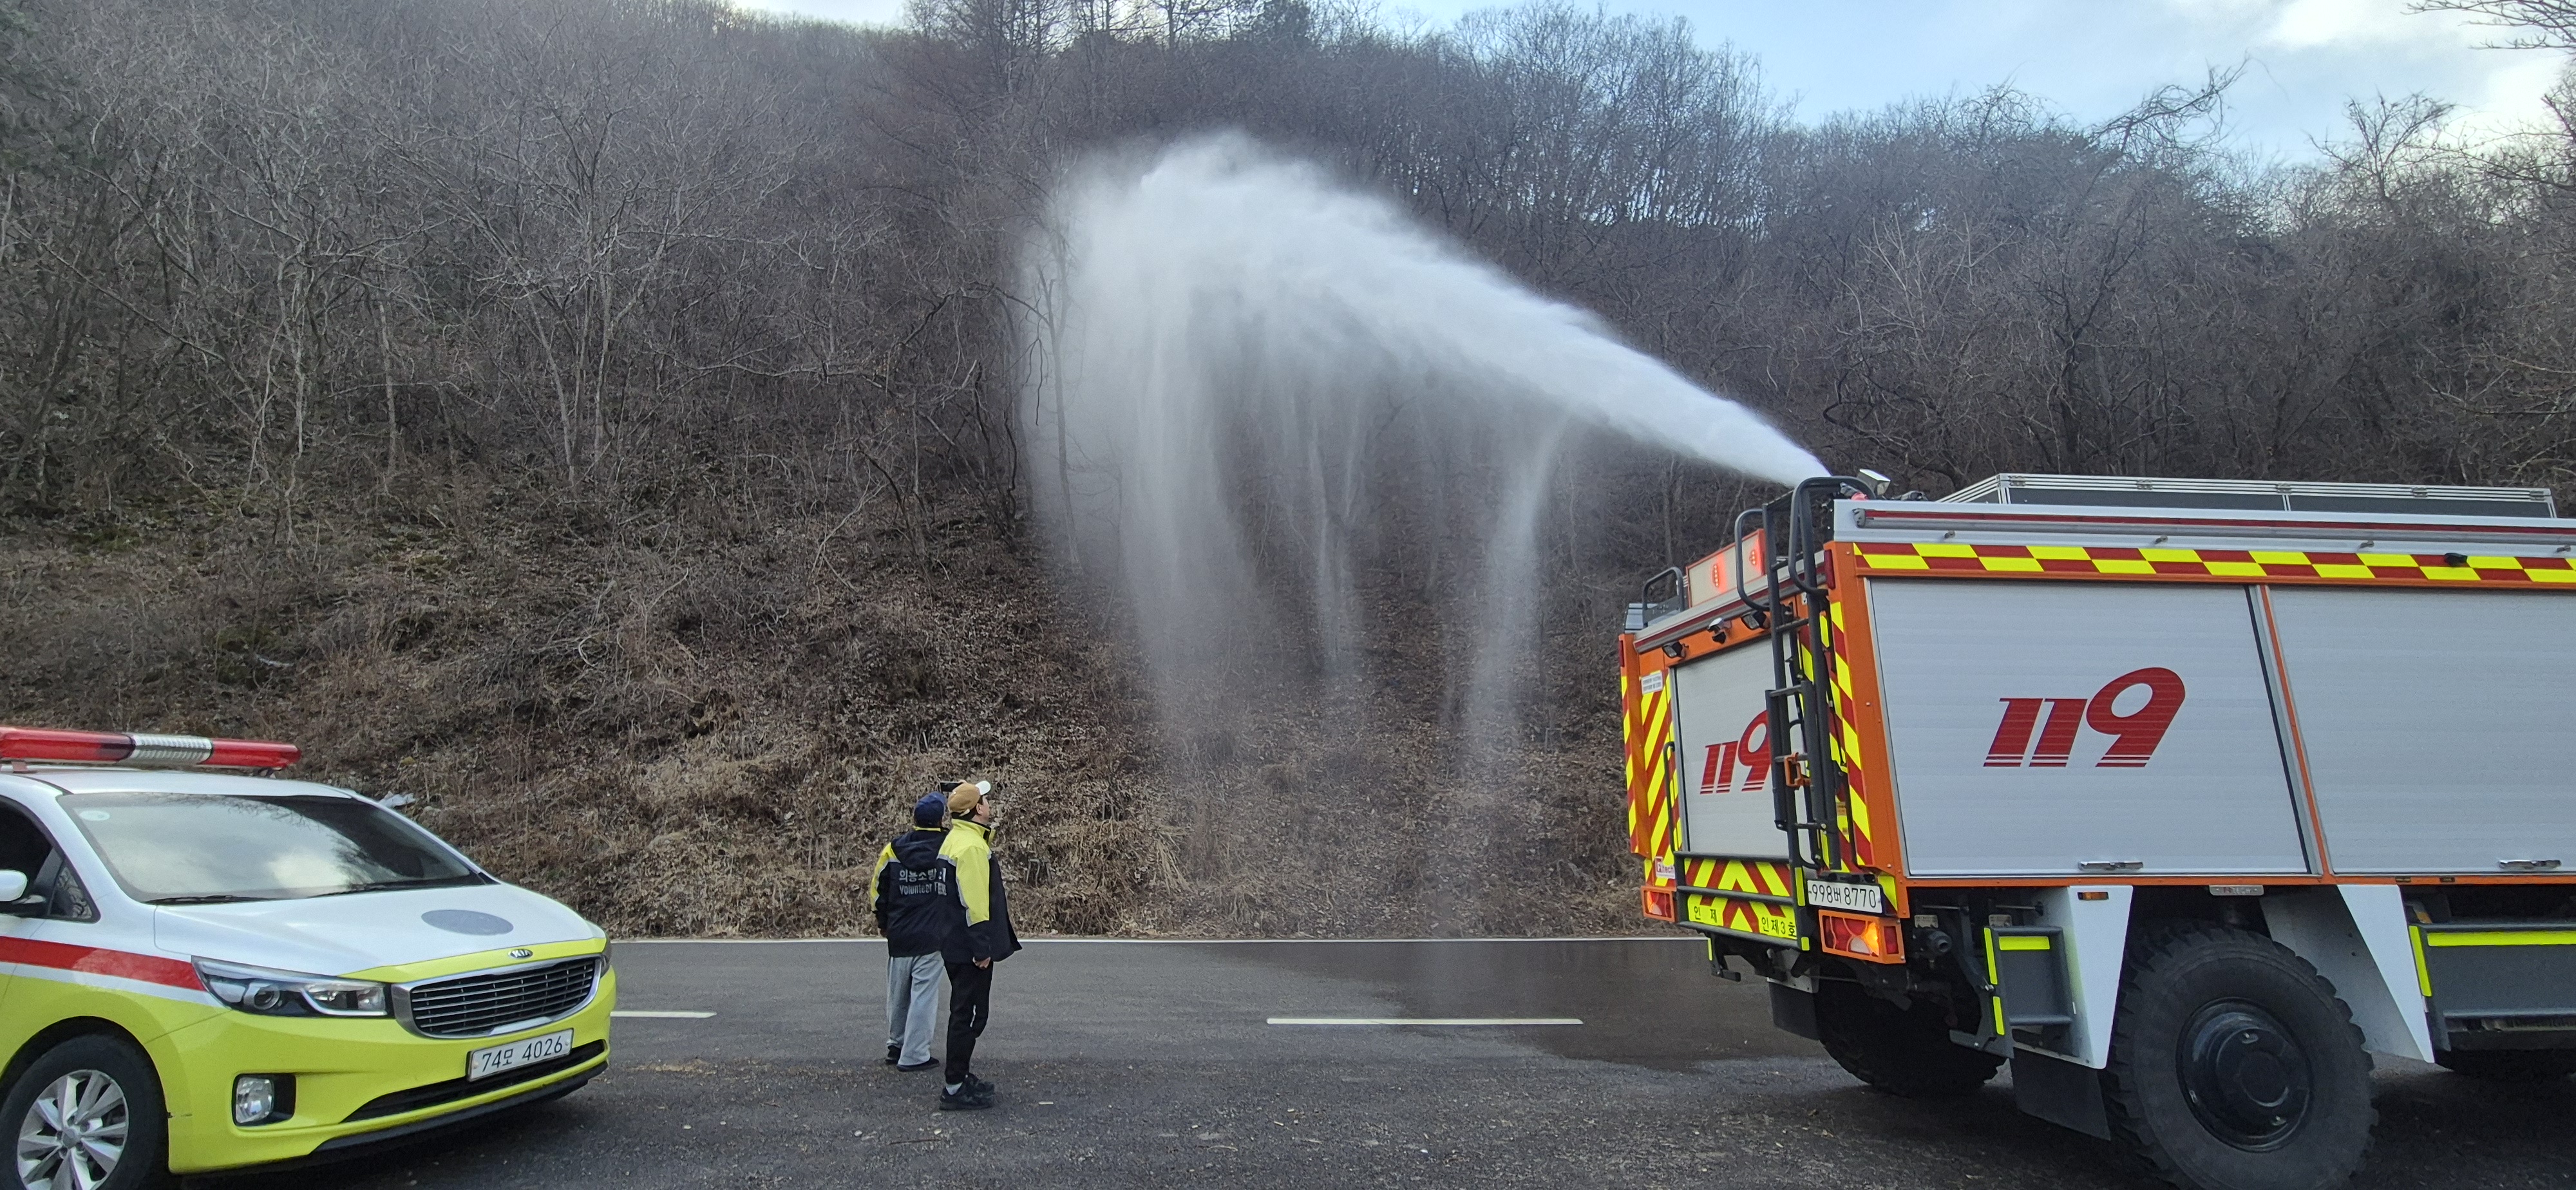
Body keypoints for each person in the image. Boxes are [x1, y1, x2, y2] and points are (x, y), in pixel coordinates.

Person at [934, 779, 1021, 1111]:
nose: (988, 803)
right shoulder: (971, 847)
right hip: (969, 948)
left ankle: (960, 1076)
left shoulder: (956, 839)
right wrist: (982, 949)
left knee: (967, 1012)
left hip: (954, 942)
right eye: (984, 799)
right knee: (969, 1015)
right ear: (977, 809)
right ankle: (954, 1087)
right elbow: (975, 904)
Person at [871, 793, 954, 1073]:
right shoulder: (949, 846)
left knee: (898, 993)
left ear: (914, 818)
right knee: (923, 996)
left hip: (899, 931)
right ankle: (916, 1054)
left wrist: (883, 921)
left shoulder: (894, 848)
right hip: (933, 934)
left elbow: (878, 889)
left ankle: (896, 1045)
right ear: (941, 819)